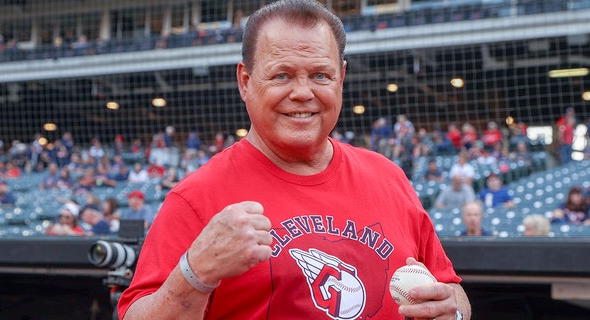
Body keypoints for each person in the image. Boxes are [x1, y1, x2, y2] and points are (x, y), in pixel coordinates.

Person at [118, 2, 470, 320]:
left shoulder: (388, 177)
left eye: (320, 75)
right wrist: (195, 273)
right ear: (245, 81)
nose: (303, 92)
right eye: (282, 75)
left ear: (341, 79)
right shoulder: (195, 198)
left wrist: (450, 313)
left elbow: (452, 290)